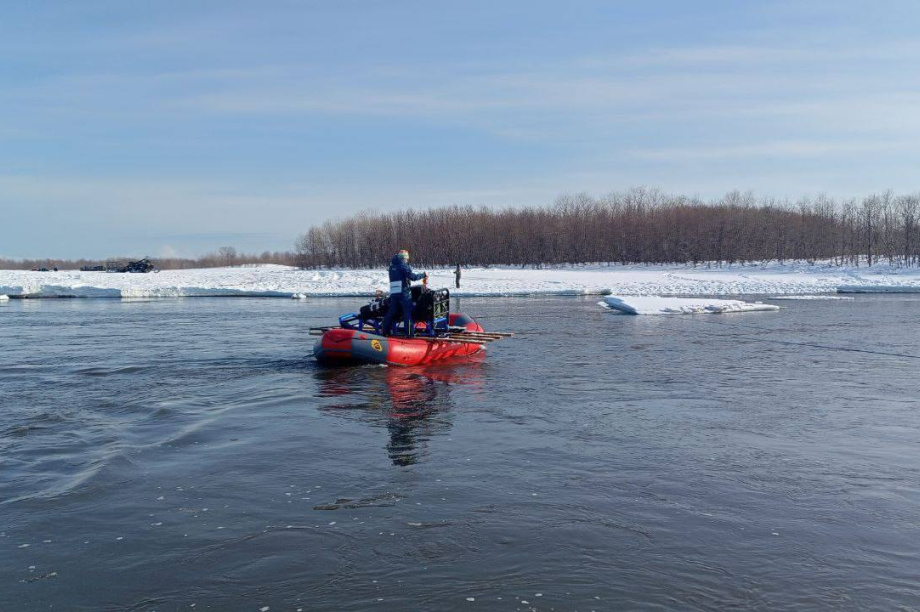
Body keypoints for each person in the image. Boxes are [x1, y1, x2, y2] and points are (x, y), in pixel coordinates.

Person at [381, 250, 427, 337]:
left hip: (394, 292)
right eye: (407, 259)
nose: (407, 260)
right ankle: (409, 334)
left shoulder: (392, 266)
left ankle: (385, 331)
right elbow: (412, 277)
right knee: (407, 312)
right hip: (403, 292)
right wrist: (423, 275)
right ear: (404, 258)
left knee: (392, 311)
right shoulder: (403, 266)